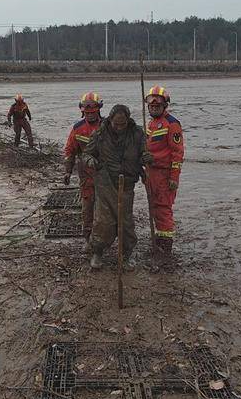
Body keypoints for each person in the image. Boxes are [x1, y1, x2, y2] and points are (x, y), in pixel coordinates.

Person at [83, 104, 153, 270]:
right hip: (105, 182)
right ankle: (97, 253)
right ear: (110, 120)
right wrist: (90, 161)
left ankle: (126, 255)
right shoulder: (100, 134)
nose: (120, 128)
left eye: (123, 124)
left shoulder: (137, 134)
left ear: (128, 121)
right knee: (104, 221)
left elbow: (144, 155)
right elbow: (85, 154)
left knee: (125, 221)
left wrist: (146, 158)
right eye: (116, 124)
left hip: (127, 183)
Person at [144, 85, 185, 265]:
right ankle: (159, 242)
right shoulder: (150, 123)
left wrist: (174, 178)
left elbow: (177, 153)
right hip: (151, 172)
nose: (153, 108)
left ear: (164, 105)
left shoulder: (172, 124)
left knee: (163, 209)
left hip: (164, 173)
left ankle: (166, 247)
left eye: (157, 106)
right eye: (151, 106)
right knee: (154, 207)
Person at [63, 91, 103, 244]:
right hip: (86, 175)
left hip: (104, 174)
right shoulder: (78, 128)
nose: (90, 115)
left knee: (104, 209)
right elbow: (69, 150)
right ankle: (88, 240)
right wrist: (67, 171)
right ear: (82, 111)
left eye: (93, 112)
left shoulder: (107, 126)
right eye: (87, 112)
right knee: (87, 208)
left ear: (99, 109)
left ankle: (104, 240)